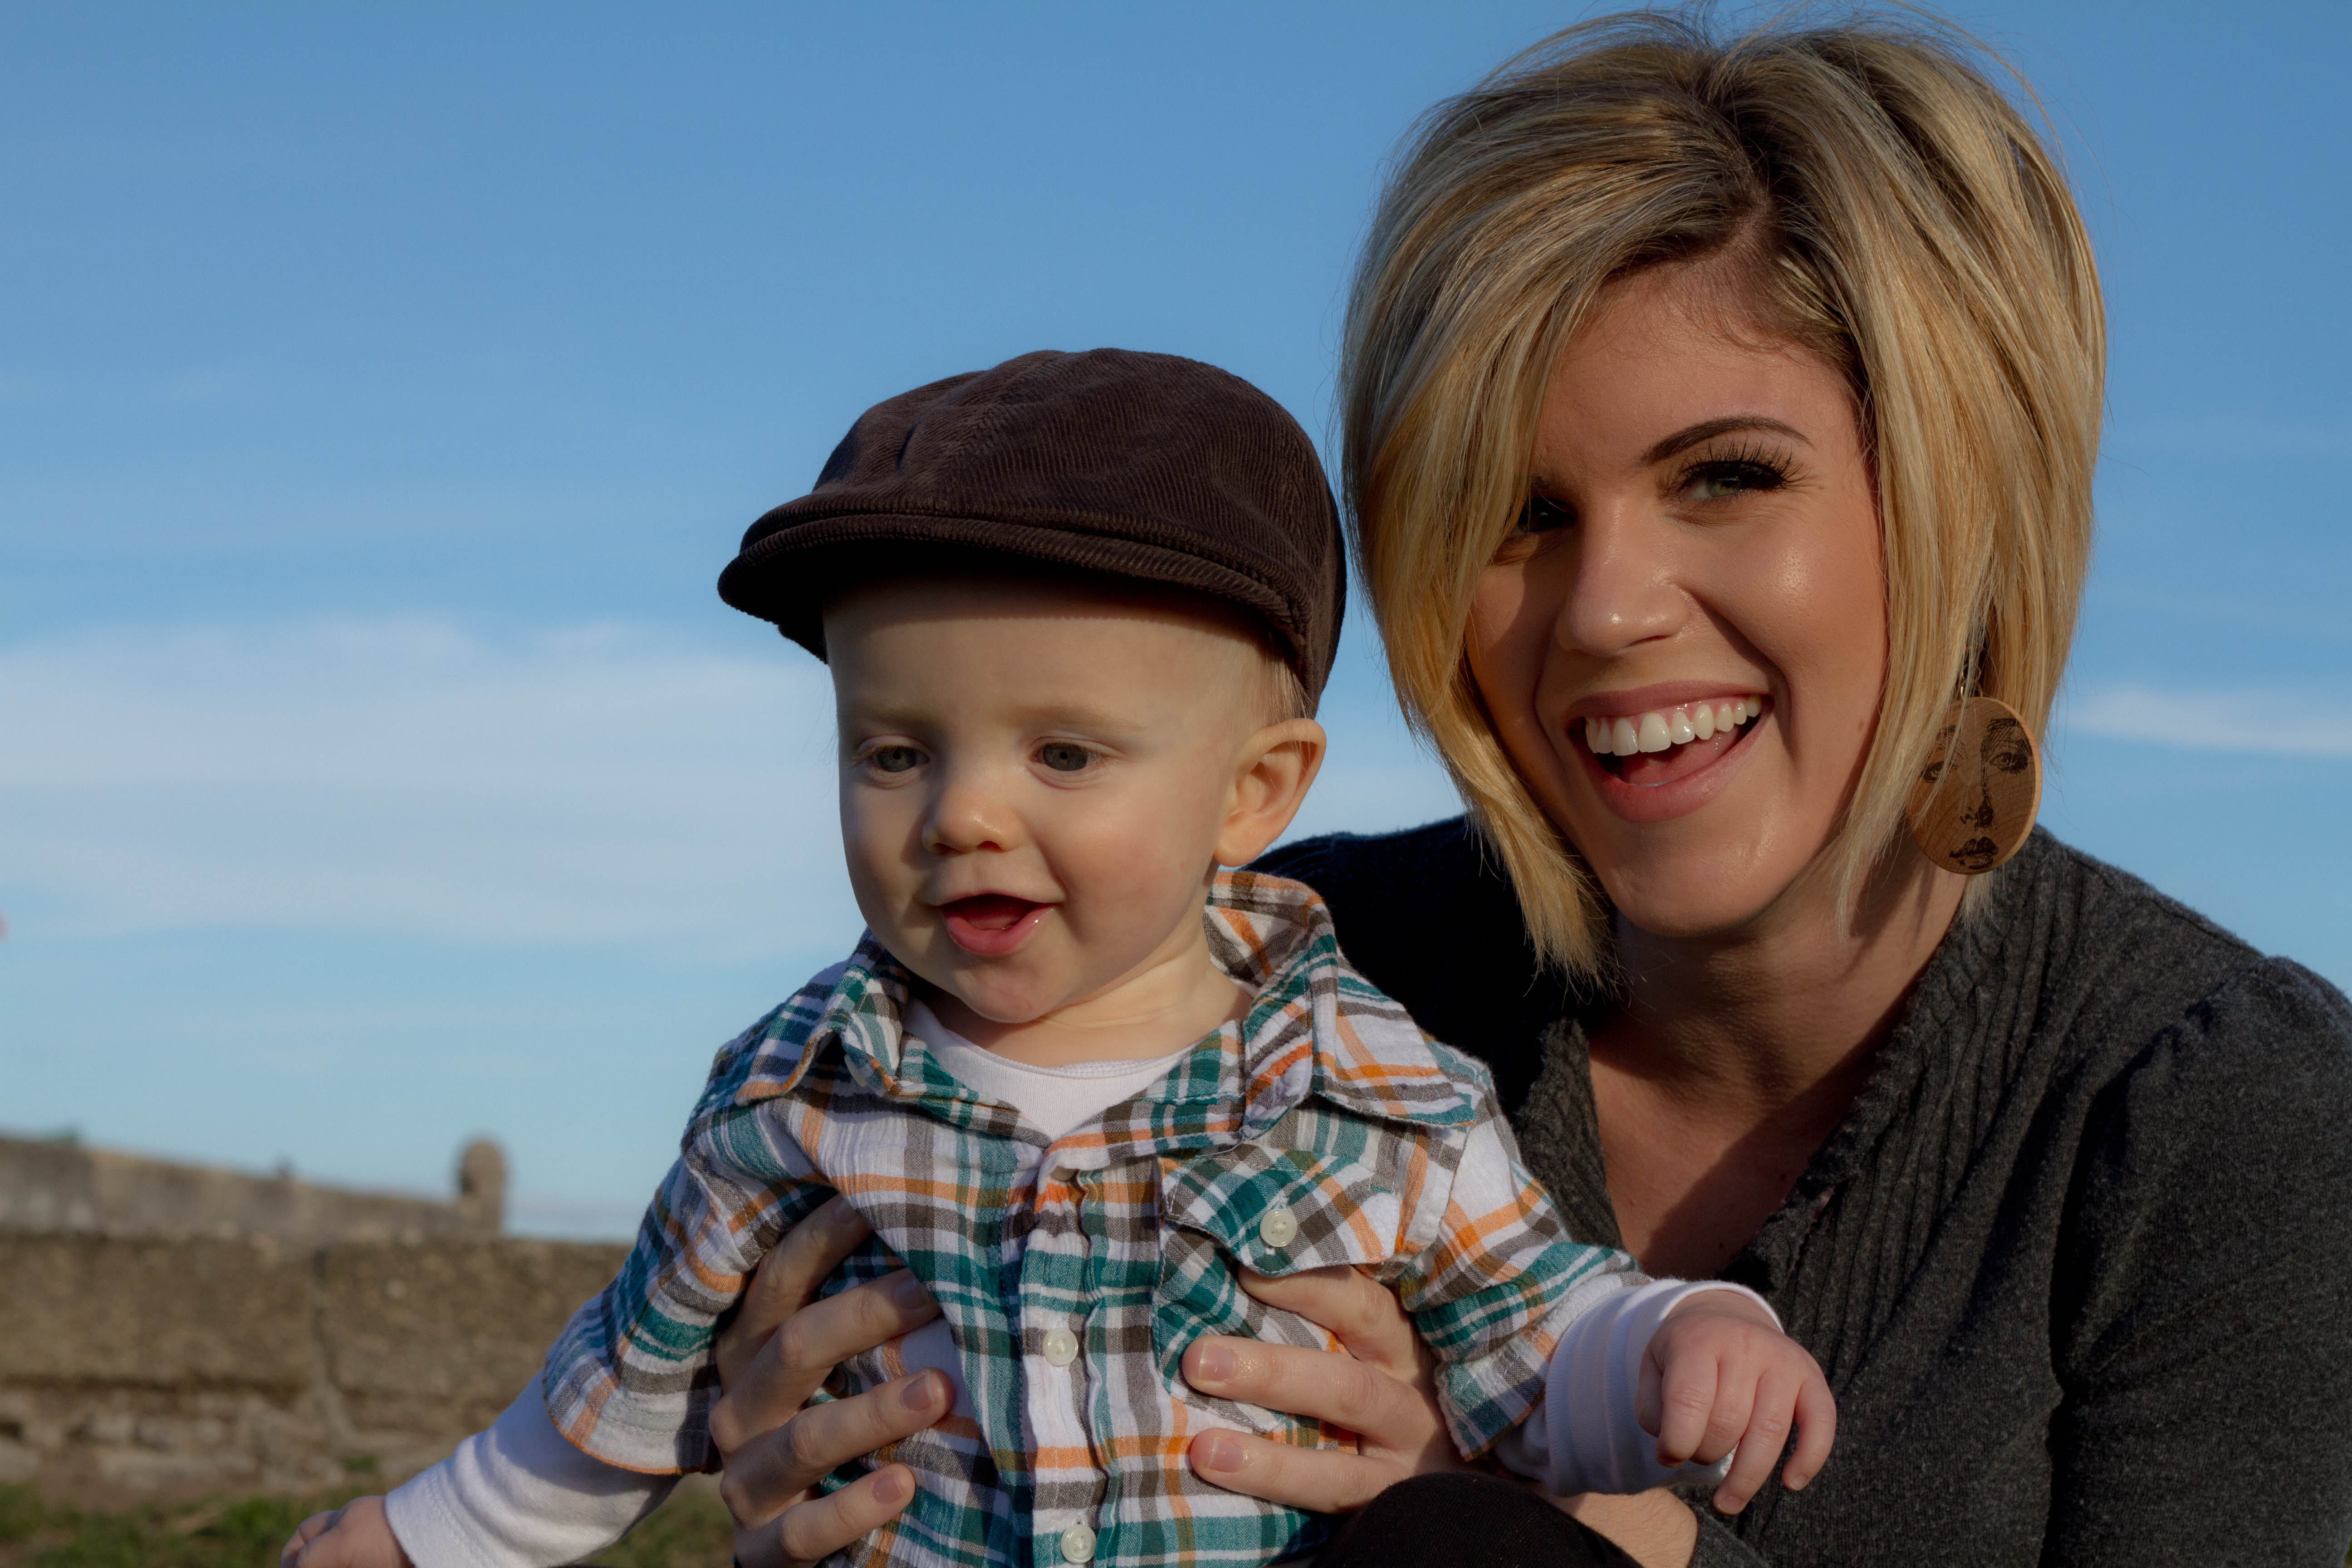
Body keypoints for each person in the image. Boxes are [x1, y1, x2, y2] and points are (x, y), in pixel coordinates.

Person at [703, 13, 2352, 1568]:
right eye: (1519, 512)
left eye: (1726, 478)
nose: (1607, 611)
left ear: (1960, 504)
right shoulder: (1268, 965)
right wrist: (817, 1485)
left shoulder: (2219, 1110)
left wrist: (1529, 1525)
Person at [280, 348, 1834, 1568]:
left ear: (1255, 794)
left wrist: (1675, 1344)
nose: (963, 815)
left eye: (1065, 755)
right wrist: (421, 1535)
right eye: (896, 753)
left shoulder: (1370, 1084)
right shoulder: (801, 1090)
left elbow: (1537, 1335)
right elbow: (624, 1385)